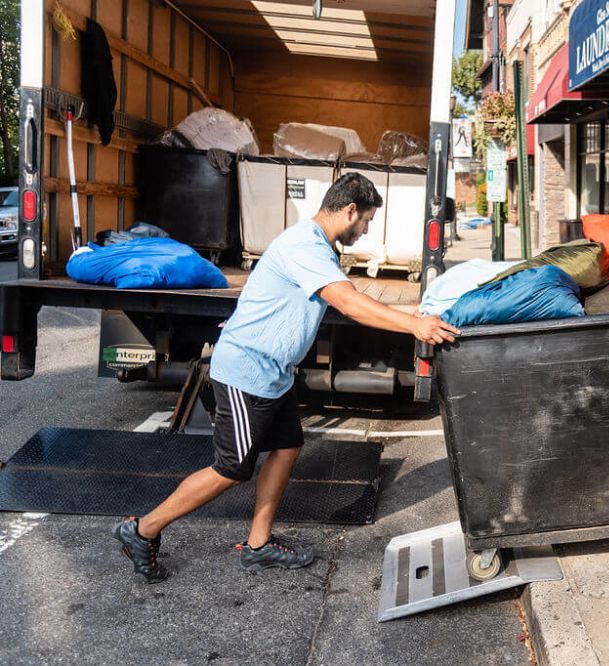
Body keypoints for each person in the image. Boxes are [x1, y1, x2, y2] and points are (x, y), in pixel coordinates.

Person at [113, 172, 459, 583]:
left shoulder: (320, 247)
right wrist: (413, 325)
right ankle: (142, 529)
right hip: (247, 373)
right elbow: (348, 303)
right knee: (232, 468)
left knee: (288, 446)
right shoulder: (304, 246)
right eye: (365, 220)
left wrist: (412, 318)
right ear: (349, 209)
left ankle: (258, 545)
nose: (365, 230)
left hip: (273, 375)